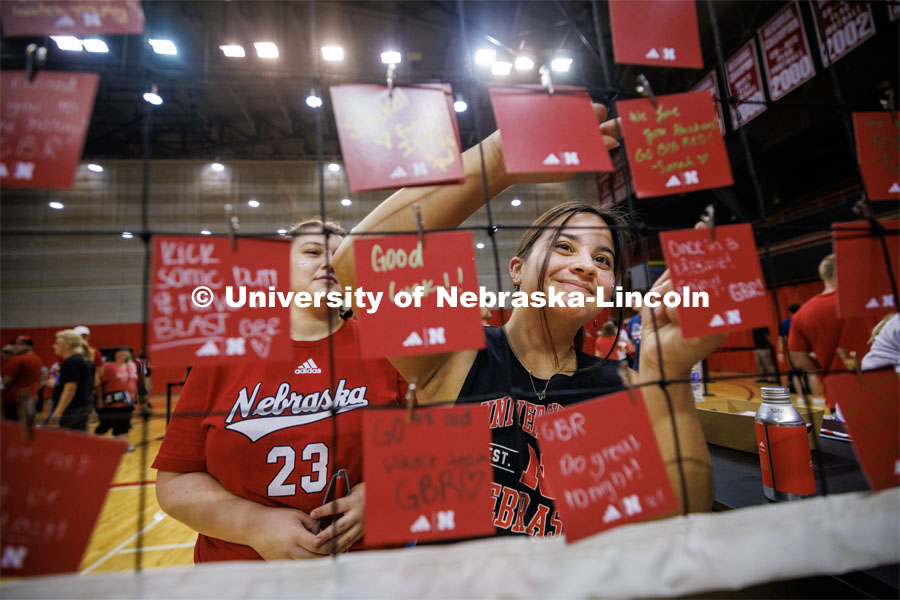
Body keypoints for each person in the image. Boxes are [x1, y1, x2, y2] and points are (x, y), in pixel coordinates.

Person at [334, 105, 727, 536]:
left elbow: (681, 522)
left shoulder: (624, 388)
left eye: (602, 259)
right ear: (517, 270)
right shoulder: (458, 354)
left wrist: (668, 374)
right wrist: (501, 156)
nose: (585, 266)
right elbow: (357, 264)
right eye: (564, 247)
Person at [153, 219, 406, 563]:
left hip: (368, 565)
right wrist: (254, 524)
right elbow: (174, 481)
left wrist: (383, 492)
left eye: (341, 255)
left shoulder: (390, 348)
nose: (329, 263)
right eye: (312, 252)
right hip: (241, 574)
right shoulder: (224, 351)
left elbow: (430, 450)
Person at [788, 254, 880, 407]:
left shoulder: (803, 314)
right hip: (884, 387)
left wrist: (827, 367)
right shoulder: (875, 300)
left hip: (839, 394)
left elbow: (797, 360)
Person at [46, 329, 95, 430]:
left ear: (67, 345)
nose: (54, 346)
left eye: (57, 343)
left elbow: (70, 389)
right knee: (77, 441)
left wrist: (57, 413)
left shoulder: (71, 362)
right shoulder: (81, 360)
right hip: (82, 407)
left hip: (70, 409)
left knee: (53, 438)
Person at [96, 347, 138, 450]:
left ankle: (122, 443)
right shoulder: (108, 366)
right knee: (106, 423)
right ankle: (94, 442)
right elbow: (99, 384)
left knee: (125, 422)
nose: (122, 355)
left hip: (127, 401)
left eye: (125, 353)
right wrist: (99, 399)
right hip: (112, 401)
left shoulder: (131, 366)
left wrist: (136, 396)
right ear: (115, 355)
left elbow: (134, 382)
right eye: (120, 353)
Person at [1, 335, 42, 422]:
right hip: (31, 398)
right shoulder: (37, 358)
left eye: (20, 344)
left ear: (29, 346)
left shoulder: (18, 359)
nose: (16, 346)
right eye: (15, 344)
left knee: (12, 429)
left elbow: (6, 381)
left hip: (14, 401)